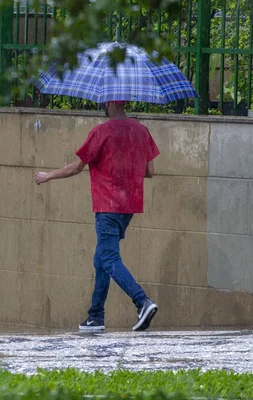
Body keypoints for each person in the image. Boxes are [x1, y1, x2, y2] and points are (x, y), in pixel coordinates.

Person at [34, 100, 159, 332]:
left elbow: (76, 167)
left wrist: (48, 176)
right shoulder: (142, 131)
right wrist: (127, 165)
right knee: (101, 258)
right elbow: (150, 172)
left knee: (109, 258)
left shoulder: (101, 132)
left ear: (110, 102)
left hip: (107, 205)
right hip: (129, 206)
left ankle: (142, 302)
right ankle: (95, 316)